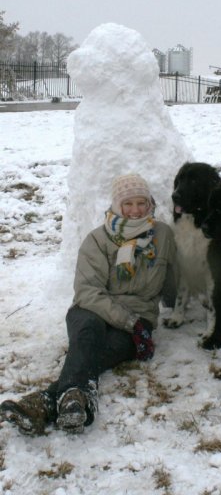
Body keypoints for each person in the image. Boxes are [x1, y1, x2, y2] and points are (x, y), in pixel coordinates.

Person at [0, 173, 179, 435]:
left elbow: (173, 282)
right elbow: (87, 292)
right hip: (92, 311)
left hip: (137, 321)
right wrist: (130, 322)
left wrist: (175, 310)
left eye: (141, 203)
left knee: (93, 356)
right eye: (127, 204)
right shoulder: (98, 239)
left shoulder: (163, 236)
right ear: (117, 206)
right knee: (88, 337)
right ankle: (77, 401)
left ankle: (45, 403)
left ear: (150, 203)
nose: (135, 210)